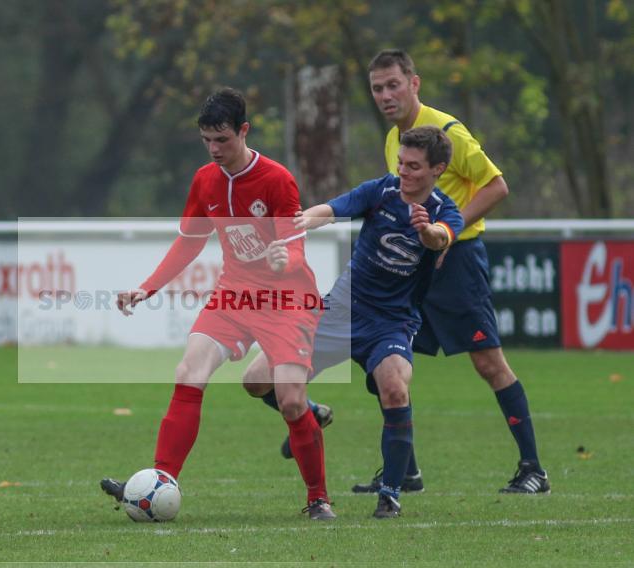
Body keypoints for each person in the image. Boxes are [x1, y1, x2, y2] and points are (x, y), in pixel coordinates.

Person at [100, 88, 335, 520]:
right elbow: (187, 245)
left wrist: (286, 257)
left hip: (287, 301)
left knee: (290, 402)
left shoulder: (277, 179)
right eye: (207, 140)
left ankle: (318, 498)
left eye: (222, 139)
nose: (214, 149)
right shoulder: (204, 180)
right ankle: (161, 480)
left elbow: (294, 243)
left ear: (243, 131)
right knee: (188, 372)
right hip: (235, 294)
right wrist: (146, 288)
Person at [344, 49, 548, 494]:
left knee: (488, 363)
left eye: (393, 85)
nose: (385, 95)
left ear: (414, 83)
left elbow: (497, 185)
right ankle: (407, 471)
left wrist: (447, 232)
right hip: (415, 269)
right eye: (377, 88)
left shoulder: (448, 131)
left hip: (456, 263)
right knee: (385, 360)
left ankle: (533, 468)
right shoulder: (394, 139)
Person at [244, 125, 463, 518]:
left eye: (414, 166)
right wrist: (296, 224)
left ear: (438, 169)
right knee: (256, 379)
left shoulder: (446, 211)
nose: (404, 172)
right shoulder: (380, 191)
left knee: (395, 390)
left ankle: (391, 493)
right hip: (341, 310)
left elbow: (440, 239)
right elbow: (329, 210)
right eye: (401, 163)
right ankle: (311, 411)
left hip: (392, 323)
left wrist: (426, 230)